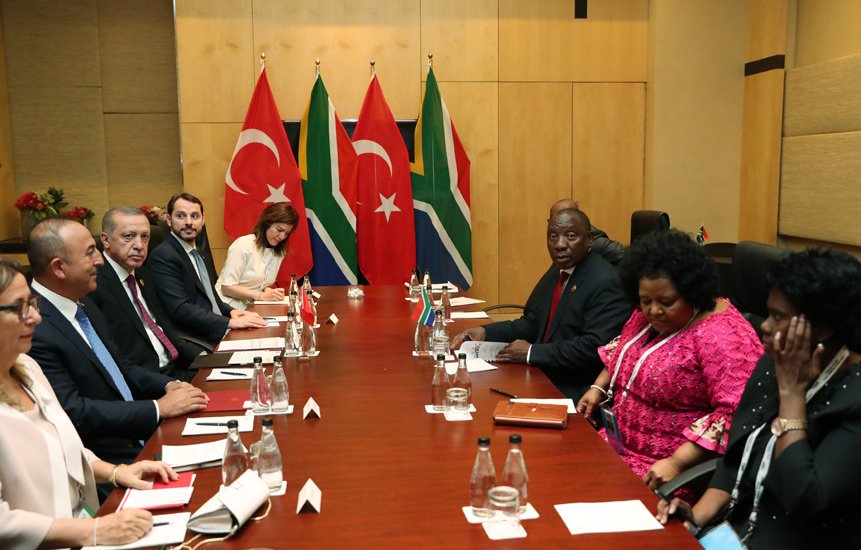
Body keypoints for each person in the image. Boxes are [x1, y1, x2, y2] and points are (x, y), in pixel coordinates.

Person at [657, 248, 861, 548]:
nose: (764, 326)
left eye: (778, 317)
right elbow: (735, 462)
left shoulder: (854, 397)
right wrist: (694, 520)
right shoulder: (773, 362)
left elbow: (805, 497)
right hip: (732, 534)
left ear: (823, 329)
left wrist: (792, 398)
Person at [0, 258, 179, 549]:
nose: (35, 317)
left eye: (32, 303)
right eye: (18, 307)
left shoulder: (28, 368)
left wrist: (116, 471)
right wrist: (94, 531)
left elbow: (64, 444)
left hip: (85, 527)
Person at [577, 229, 761, 501]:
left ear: (693, 292)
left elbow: (737, 414)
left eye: (666, 302)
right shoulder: (648, 312)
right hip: (616, 448)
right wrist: (598, 387)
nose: (653, 310)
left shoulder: (724, 335)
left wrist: (677, 462)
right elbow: (625, 349)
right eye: (645, 300)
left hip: (668, 473)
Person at [27, 218, 208, 465]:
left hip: (138, 429)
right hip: (103, 456)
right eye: (90, 253)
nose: (100, 261)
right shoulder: (34, 328)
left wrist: (170, 385)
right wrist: (158, 408)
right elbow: (73, 411)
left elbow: (121, 365)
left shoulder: (83, 303)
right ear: (59, 268)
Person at [450, 208, 630, 398]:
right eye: (553, 236)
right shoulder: (561, 270)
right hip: (541, 374)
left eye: (571, 236)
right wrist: (486, 332)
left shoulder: (607, 282)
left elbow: (592, 349)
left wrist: (531, 352)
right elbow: (535, 323)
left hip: (572, 388)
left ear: (590, 239)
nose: (559, 245)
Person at [89, 207, 203, 381]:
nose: (139, 246)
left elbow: (163, 327)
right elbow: (115, 358)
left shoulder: (143, 274)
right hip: (147, 382)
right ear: (106, 240)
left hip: (176, 369)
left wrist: (205, 359)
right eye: (129, 236)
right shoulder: (94, 285)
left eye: (145, 237)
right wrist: (167, 385)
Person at [147, 193, 267, 346]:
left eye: (194, 216)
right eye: (181, 216)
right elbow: (180, 309)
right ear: (169, 219)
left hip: (214, 330)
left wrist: (231, 311)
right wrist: (228, 322)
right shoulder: (163, 256)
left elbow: (211, 296)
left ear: (203, 220)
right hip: (195, 340)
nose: (189, 222)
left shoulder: (201, 254)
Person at [215, 202, 297, 309]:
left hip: (252, 307)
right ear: (267, 223)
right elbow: (227, 287)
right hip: (226, 306)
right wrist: (261, 295)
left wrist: (270, 292)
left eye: (287, 233)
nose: (282, 237)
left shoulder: (279, 251)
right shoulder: (243, 244)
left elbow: (261, 283)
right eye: (279, 230)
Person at [548, 198, 625, 266]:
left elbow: (625, 258)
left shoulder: (597, 242)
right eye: (552, 220)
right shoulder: (558, 243)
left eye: (571, 236)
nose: (560, 245)